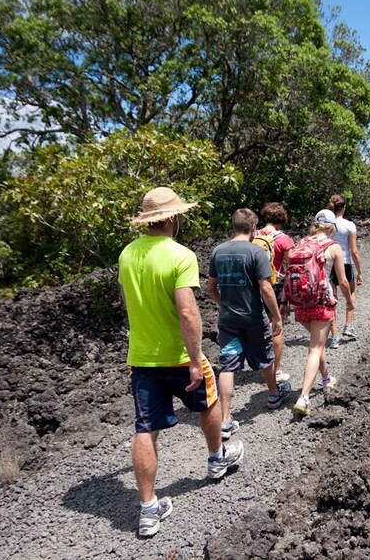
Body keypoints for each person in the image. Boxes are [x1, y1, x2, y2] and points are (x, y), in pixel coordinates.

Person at [118, 187, 243, 538]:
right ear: (173, 217)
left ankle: (147, 510)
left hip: (142, 358)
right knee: (209, 401)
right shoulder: (180, 255)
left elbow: (128, 305)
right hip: (178, 356)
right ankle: (217, 460)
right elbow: (188, 313)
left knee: (145, 428)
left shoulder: (126, 255)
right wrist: (193, 359)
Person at [207, 208, 292, 440]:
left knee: (228, 366)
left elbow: (210, 287)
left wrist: (223, 303)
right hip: (253, 317)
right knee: (265, 357)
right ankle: (274, 395)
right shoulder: (256, 252)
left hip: (228, 320)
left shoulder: (218, 251)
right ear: (253, 228)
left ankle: (225, 420)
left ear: (234, 226)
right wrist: (275, 316)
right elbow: (265, 288)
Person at [283, 209, 353, 416]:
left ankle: (326, 378)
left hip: (300, 302)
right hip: (321, 302)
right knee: (315, 347)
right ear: (332, 228)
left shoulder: (301, 244)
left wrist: (285, 302)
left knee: (317, 342)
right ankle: (304, 397)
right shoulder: (334, 248)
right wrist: (349, 301)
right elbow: (342, 281)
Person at [256, 202, 295, 384]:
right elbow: (293, 266)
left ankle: (262, 364)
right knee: (277, 327)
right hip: (275, 286)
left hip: (255, 286)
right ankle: (276, 371)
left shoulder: (254, 235)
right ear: (281, 218)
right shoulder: (284, 239)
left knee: (260, 326)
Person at [326, 194, 362, 349]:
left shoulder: (326, 224)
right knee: (351, 291)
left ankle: (334, 337)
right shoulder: (349, 225)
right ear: (344, 208)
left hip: (328, 263)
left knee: (331, 299)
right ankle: (348, 325)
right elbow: (354, 251)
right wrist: (360, 271)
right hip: (345, 263)